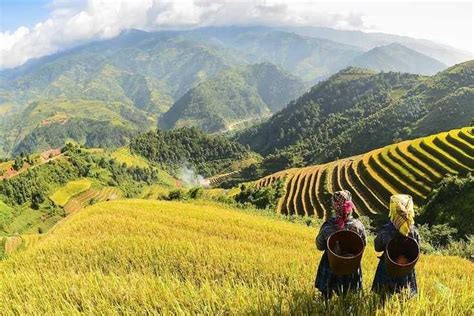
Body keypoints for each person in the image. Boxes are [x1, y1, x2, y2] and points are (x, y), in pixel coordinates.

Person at [314, 190, 366, 299]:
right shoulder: (358, 226)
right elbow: (363, 245)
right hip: (351, 266)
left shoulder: (328, 226)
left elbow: (320, 246)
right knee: (349, 298)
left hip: (331, 264)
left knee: (326, 297)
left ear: (334, 206)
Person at [371, 194, 420, 296]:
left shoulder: (386, 231)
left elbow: (377, 247)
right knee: (405, 298)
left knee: (382, 298)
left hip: (387, 269)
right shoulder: (413, 231)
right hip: (406, 271)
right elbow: (417, 250)